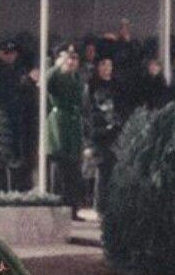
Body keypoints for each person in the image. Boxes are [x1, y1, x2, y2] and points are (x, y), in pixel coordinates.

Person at [82, 55, 125, 213]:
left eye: (109, 65)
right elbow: (87, 112)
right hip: (99, 134)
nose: (107, 68)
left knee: (115, 169)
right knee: (102, 169)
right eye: (103, 65)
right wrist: (90, 138)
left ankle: (112, 206)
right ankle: (100, 207)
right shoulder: (91, 86)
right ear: (97, 67)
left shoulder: (117, 85)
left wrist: (117, 123)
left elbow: (122, 107)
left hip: (115, 133)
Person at [46, 45, 85, 208]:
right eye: (68, 57)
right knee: (58, 166)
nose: (71, 62)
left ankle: (72, 207)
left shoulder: (76, 77)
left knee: (73, 170)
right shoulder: (56, 75)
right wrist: (57, 66)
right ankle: (56, 203)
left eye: (74, 58)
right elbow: (47, 83)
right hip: (59, 123)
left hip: (74, 124)